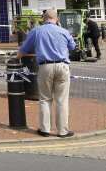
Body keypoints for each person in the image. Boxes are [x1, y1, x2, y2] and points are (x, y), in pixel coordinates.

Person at [18, 9, 76, 138]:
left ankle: (45, 130)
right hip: (63, 66)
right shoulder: (64, 31)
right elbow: (72, 47)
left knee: (45, 99)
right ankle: (63, 131)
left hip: (45, 66)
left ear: (43, 19)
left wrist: (17, 57)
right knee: (62, 100)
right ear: (57, 19)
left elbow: (24, 49)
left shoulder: (37, 31)